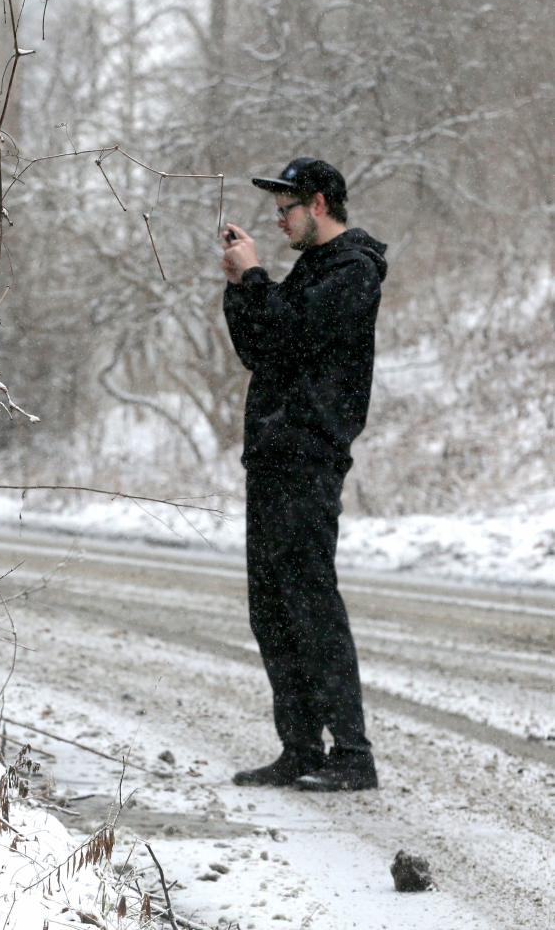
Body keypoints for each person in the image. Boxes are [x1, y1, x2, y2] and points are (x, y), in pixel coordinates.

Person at [220, 157, 387, 792]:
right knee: (271, 605)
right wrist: (241, 287)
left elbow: (294, 337)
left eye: (286, 207)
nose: (278, 218)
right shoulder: (309, 271)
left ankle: (352, 752)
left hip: (310, 454)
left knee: (311, 600)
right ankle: (300, 747)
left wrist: (259, 275)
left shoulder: (354, 270)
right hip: (271, 453)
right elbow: (260, 351)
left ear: (318, 204)